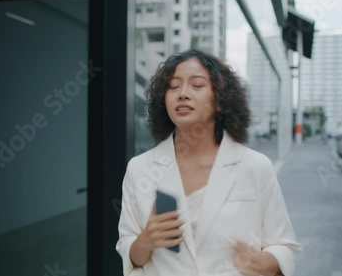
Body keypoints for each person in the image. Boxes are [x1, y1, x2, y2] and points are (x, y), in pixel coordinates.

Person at [116, 49, 302, 276]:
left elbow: (284, 245)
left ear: (220, 101)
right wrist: (144, 242)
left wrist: (266, 263)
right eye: (173, 86)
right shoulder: (140, 168)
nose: (182, 94)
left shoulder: (255, 166)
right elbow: (128, 246)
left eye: (197, 85)